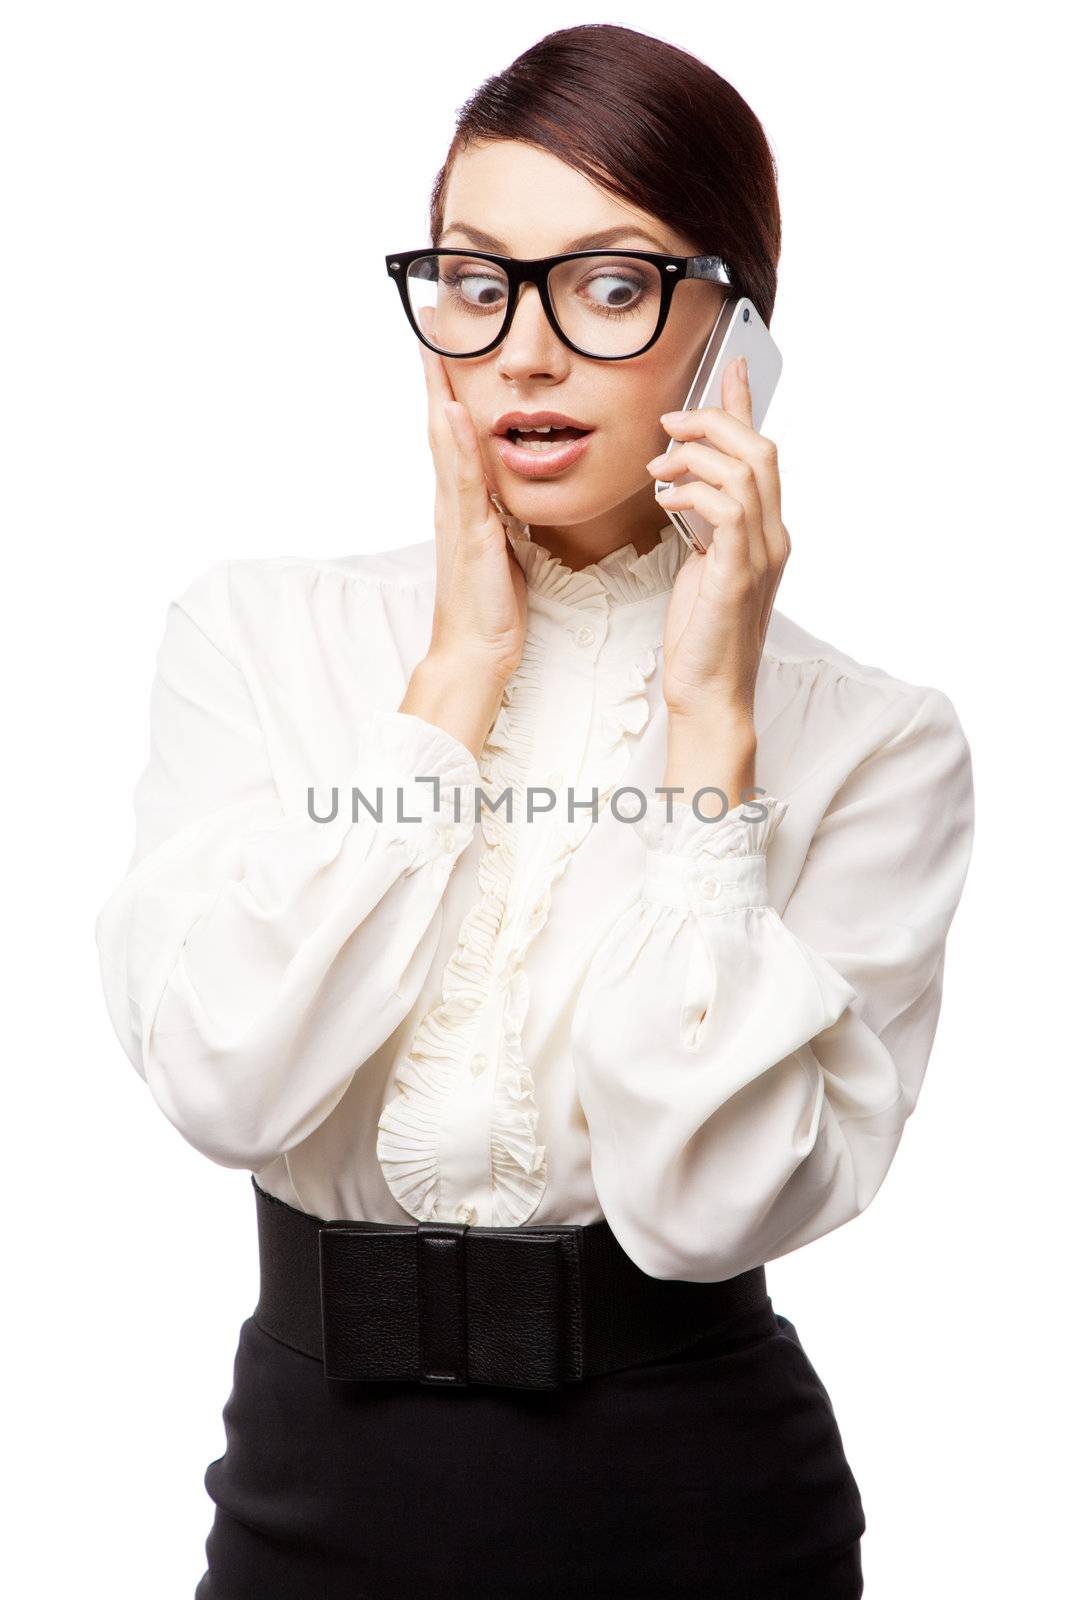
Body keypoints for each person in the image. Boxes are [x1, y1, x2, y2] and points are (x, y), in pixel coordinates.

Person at [94, 23, 975, 1600]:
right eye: (476, 278)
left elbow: (716, 1211)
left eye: (614, 285)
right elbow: (224, 1081)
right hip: (309, 1484)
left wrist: (713, 727)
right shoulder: (259, 638)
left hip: (699, 1505)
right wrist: (462, 668)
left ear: (737, 343)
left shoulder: (877, 742)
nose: (526, 349)